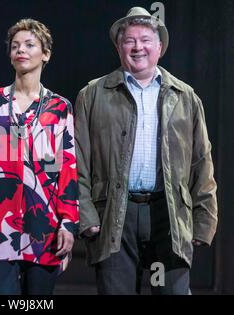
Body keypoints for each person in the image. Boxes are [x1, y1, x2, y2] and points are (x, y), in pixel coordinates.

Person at [74, 7, 218, 295]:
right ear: (118, 47)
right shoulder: (93, 94)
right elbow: (77, 159)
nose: (137, 47)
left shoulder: (185, 96)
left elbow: (202, 162)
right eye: (129, 40)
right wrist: (86, 215)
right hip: (115, 213)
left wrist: (204, 221)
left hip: (169, 214)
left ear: (160, 47)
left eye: (145, 39)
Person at [0, 19, 79, 295]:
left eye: (30, 45)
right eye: (15, 46)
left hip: (45, 226)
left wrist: (69, 223)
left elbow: (67, 169)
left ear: (46, 54)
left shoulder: (59, 107)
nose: (21, 50)